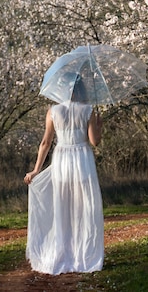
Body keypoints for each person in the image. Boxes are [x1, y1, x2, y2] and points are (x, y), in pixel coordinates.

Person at [24, 77, 104, 275]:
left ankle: (62, 251)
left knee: (62, 208)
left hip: (62, 161)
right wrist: (98, 125)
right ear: (81, 90)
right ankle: (83, 254)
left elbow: (45, 142)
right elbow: (95, 142)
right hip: (82, 160)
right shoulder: (88, 110)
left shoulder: (53, 111)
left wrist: (36, 169)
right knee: (84, 209)